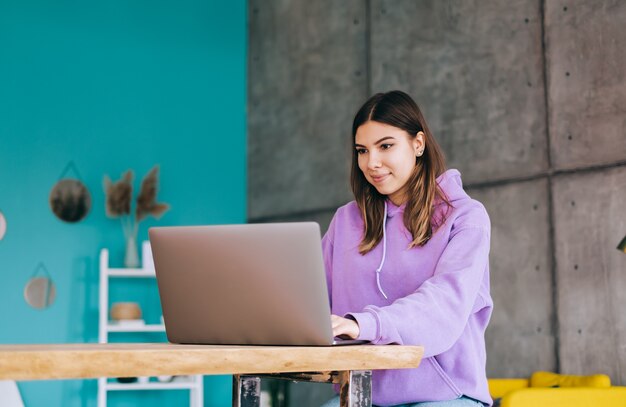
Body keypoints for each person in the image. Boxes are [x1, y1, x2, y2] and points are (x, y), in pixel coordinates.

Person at [321, 90, 493, 407]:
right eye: (362, 150)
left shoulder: (465, 218)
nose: (371, 162)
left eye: (385, 146)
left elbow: (444, 304)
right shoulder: (346, 222)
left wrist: (363, 324)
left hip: (446, 394)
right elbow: (310, 298)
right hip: (361, 393)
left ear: (418, 144)